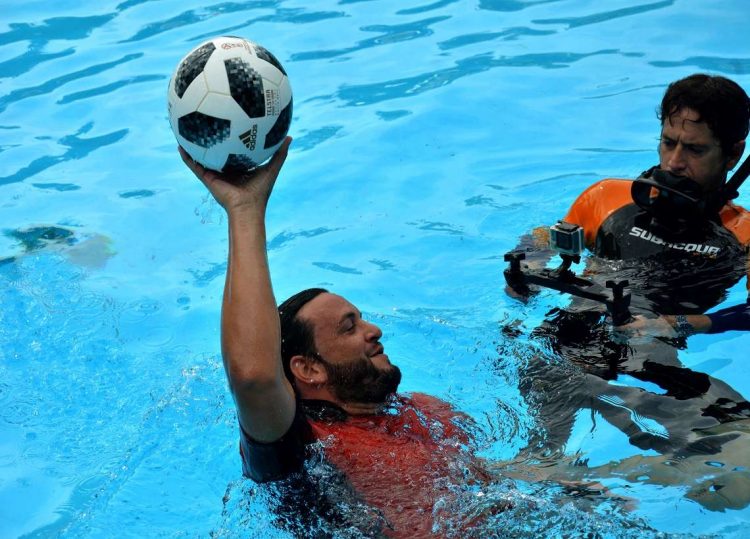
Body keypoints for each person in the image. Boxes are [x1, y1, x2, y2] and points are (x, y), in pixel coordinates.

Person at [180, 139, 514, 537]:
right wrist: (245, 210)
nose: (374, 331)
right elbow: (253, 376)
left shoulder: (426, 413)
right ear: (308, 369)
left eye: (362, 320)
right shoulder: (302, 450)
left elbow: (498, 491)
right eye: (348, 326)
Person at [507, 74, 750, 459]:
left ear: (733, 154)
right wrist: (529, 261)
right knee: (541, 461)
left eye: (695, 150)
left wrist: (676, 324)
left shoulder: (744, 233)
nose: (674, 162)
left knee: (743, 455)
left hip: (651, 363)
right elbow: (546, 235)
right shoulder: (607, 197)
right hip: (559, 350)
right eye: (668, 143)